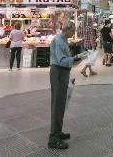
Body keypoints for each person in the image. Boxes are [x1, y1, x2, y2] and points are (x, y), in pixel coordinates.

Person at [48, 21, 86, 150]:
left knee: (62, 103)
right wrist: (77, 57)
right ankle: (53, 138)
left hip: (63, 72)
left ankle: (58, 132)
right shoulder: (59, 41)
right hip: (58, 72)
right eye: (72, 30)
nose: (73, 33)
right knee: (57, 104)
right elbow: (61, 60)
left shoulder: (64, 39)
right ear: (67, 30)